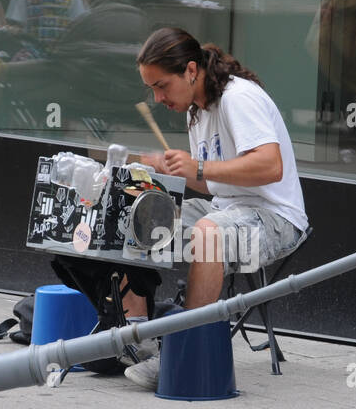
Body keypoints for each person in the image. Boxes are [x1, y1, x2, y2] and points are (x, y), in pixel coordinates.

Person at [123, 27, 309, 390]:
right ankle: (135, 337)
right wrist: (176, 170)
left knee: (209, 233)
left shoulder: (239, 99)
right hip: (228, 207)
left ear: (191, 70)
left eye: (162, 86)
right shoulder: (197, 110)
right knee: (142, 211)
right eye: (152, 90)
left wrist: (200, 168)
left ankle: (184, 354)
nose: (158, 98)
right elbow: (216, 184)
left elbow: (271, 166)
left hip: (276, 219)